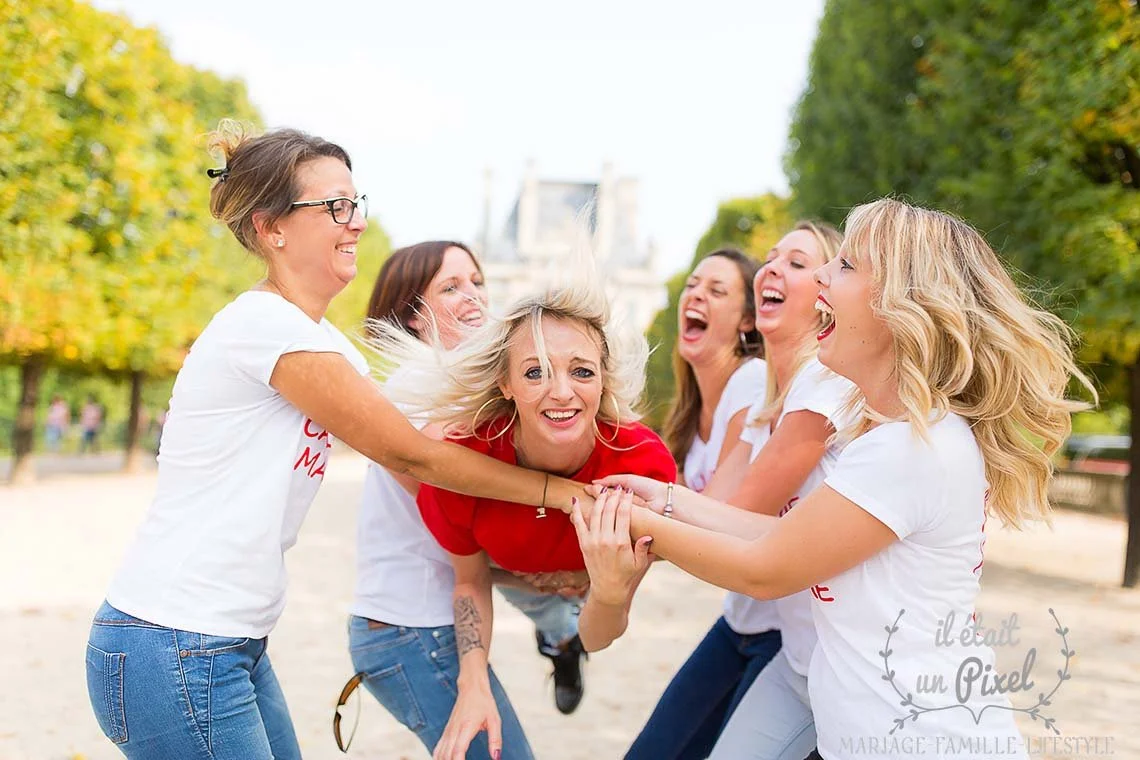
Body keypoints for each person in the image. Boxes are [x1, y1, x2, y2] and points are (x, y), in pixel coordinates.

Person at [85, 122, 588, 760]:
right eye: (335, 207)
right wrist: (560, 495)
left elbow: (432, 476)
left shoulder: (325, 345)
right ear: (272, 228)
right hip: (174, 640)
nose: (356, 222)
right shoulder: (264, 326)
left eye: (356, 203)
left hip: (223, 644)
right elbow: (415, 456)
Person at [594, 198, 1095, 760]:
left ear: (899, 305)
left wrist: (635, 522)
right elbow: (783, 537)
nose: (823, 275)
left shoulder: (911, 449)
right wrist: (664, 499)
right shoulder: (895, 436)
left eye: (847, 265)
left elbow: (763, 570)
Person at [373, 274, 676, 760]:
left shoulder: (641, 466)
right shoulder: (461, 460)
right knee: (545, 609)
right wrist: (473, 681)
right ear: (506, 384)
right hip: (510, 571)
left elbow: (601, 634)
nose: (561, 392)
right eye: (535, 373)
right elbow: (469, 580)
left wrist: (604, 586)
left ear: (604, 377)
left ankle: (562, 650)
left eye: (582, 371)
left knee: (571, 629)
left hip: (589, 588)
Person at [346, 239, 591, 758]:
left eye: (477, 281)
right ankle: (562, 636)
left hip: (420, 623)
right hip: (415, 627)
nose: (474, 295)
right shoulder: (417, 389)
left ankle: (562, 636)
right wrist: (546, 573)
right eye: (451, 287)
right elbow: (453, 517)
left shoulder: (463, 386)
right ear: (413, 315)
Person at [623, 246, 775, 759]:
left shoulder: (752, 382)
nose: (696, 296)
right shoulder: (694, 409)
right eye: (692, 285)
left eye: (716, 290)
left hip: (785, 633)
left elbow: (709, 513)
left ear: (747, 321)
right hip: (741, 620)